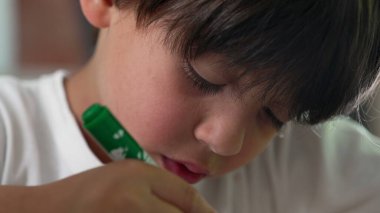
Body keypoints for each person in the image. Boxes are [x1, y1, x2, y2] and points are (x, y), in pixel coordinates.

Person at [0, 0, 379, 212]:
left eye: (273, 116)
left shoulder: (306, 168)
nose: (227, 141)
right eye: (206, 79)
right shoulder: (9, 127)